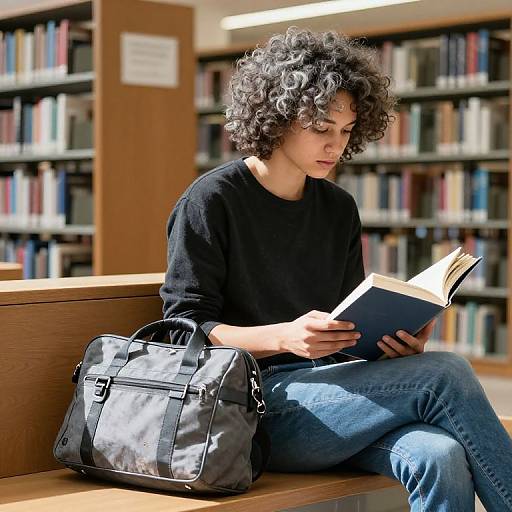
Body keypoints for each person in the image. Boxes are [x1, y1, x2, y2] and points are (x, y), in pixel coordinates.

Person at [159, 27, 512, 511]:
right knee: (445, 373)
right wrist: (284, 337)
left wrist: (393, 346)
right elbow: (184, 331)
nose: (335, 146)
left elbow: (349, 322)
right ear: (278, 116)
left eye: (346, 132)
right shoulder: (212, 201)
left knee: (441, 455)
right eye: (322, 128)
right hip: (254, 409)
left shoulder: (338, 207)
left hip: (336, 397)